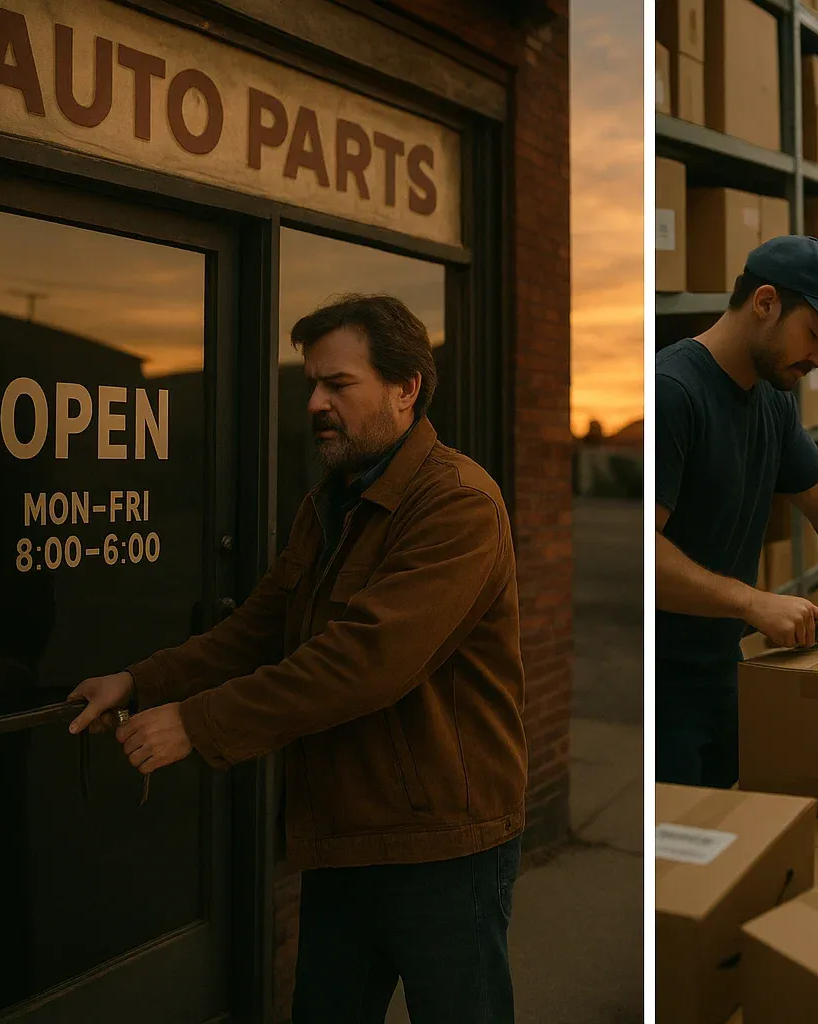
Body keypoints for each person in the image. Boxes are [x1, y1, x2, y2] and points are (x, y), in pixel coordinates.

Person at [68, 294, 526, 1024]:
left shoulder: (459, 504)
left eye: (337, 385)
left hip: (444, 846)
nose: (314, 402)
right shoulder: (332, 503)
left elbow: (365, 661)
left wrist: (195, 722)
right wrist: (141, 680)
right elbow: (259, 626)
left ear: (406, 388)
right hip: (344, 836)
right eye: (312, 384)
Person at [655, 234, 818, 789]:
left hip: (724, 671)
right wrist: (753, 602)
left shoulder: (771, 399)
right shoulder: (672, 393)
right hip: (661, 689)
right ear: (765, 303)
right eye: (816, 336)